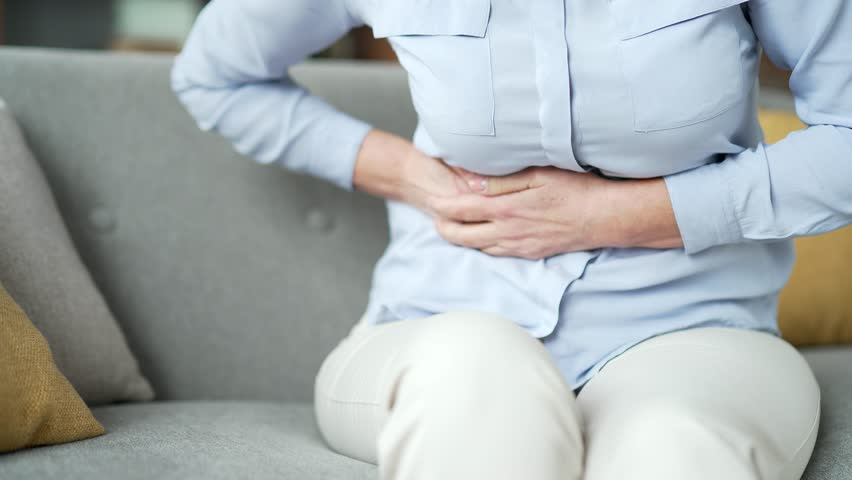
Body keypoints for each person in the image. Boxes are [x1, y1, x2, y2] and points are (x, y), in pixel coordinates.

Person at [171, 1, 852, 478]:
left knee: (673, 445)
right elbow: (213, 73)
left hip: (691, 326)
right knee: (480, 375)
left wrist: (619, 215)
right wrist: (408, 175)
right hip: (434, 326)